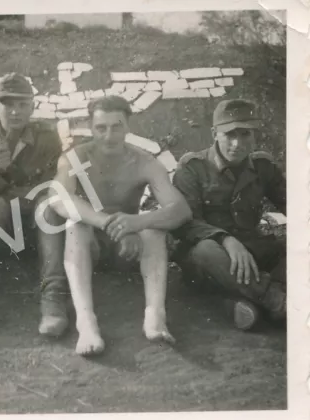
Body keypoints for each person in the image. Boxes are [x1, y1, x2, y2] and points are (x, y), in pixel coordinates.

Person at [51, 95, 192, 356]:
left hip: (127, 250)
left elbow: (180, 209)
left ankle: (155, 314)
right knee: (75, 224)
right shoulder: (75, 158)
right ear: (91, 128)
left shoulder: (144, 162)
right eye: (101, 128)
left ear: (128, 126)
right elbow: (59, 199)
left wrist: (137, 222)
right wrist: (106, 223)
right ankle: (86, 322)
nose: (109, 136)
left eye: (116, 127)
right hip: (90, 247)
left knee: (153, 229)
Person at [0, 72, 69, 341]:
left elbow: (50, 183)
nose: (16, 112)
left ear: (32, 107)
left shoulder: (46, 136)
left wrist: (18, 188)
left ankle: (53, 295)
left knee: (49, 205)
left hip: (35, 228)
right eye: (8, 104)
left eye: (22, 105)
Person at [171, 99, 286, 330]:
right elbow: (185, 223)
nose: (238, 143)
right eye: (229, 134)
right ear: (215, 133)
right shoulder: (192, 168)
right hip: (210, 258)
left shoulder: (262, 165)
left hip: (251, 253)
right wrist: (225, 239)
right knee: (207, 251)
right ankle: (278, 302)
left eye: (245, 135)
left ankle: (238, 303)